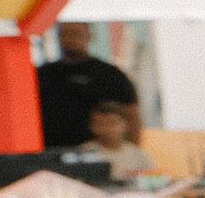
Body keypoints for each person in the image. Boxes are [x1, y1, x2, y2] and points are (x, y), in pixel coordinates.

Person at [31, 22, 136, 157]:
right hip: (52, 150)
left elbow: (132, 114)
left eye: (76, 34)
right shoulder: (42, 74)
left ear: (89, 36)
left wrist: (131, 149)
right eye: (66, 34)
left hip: (102, 154)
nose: (71, 39)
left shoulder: (110, 74)